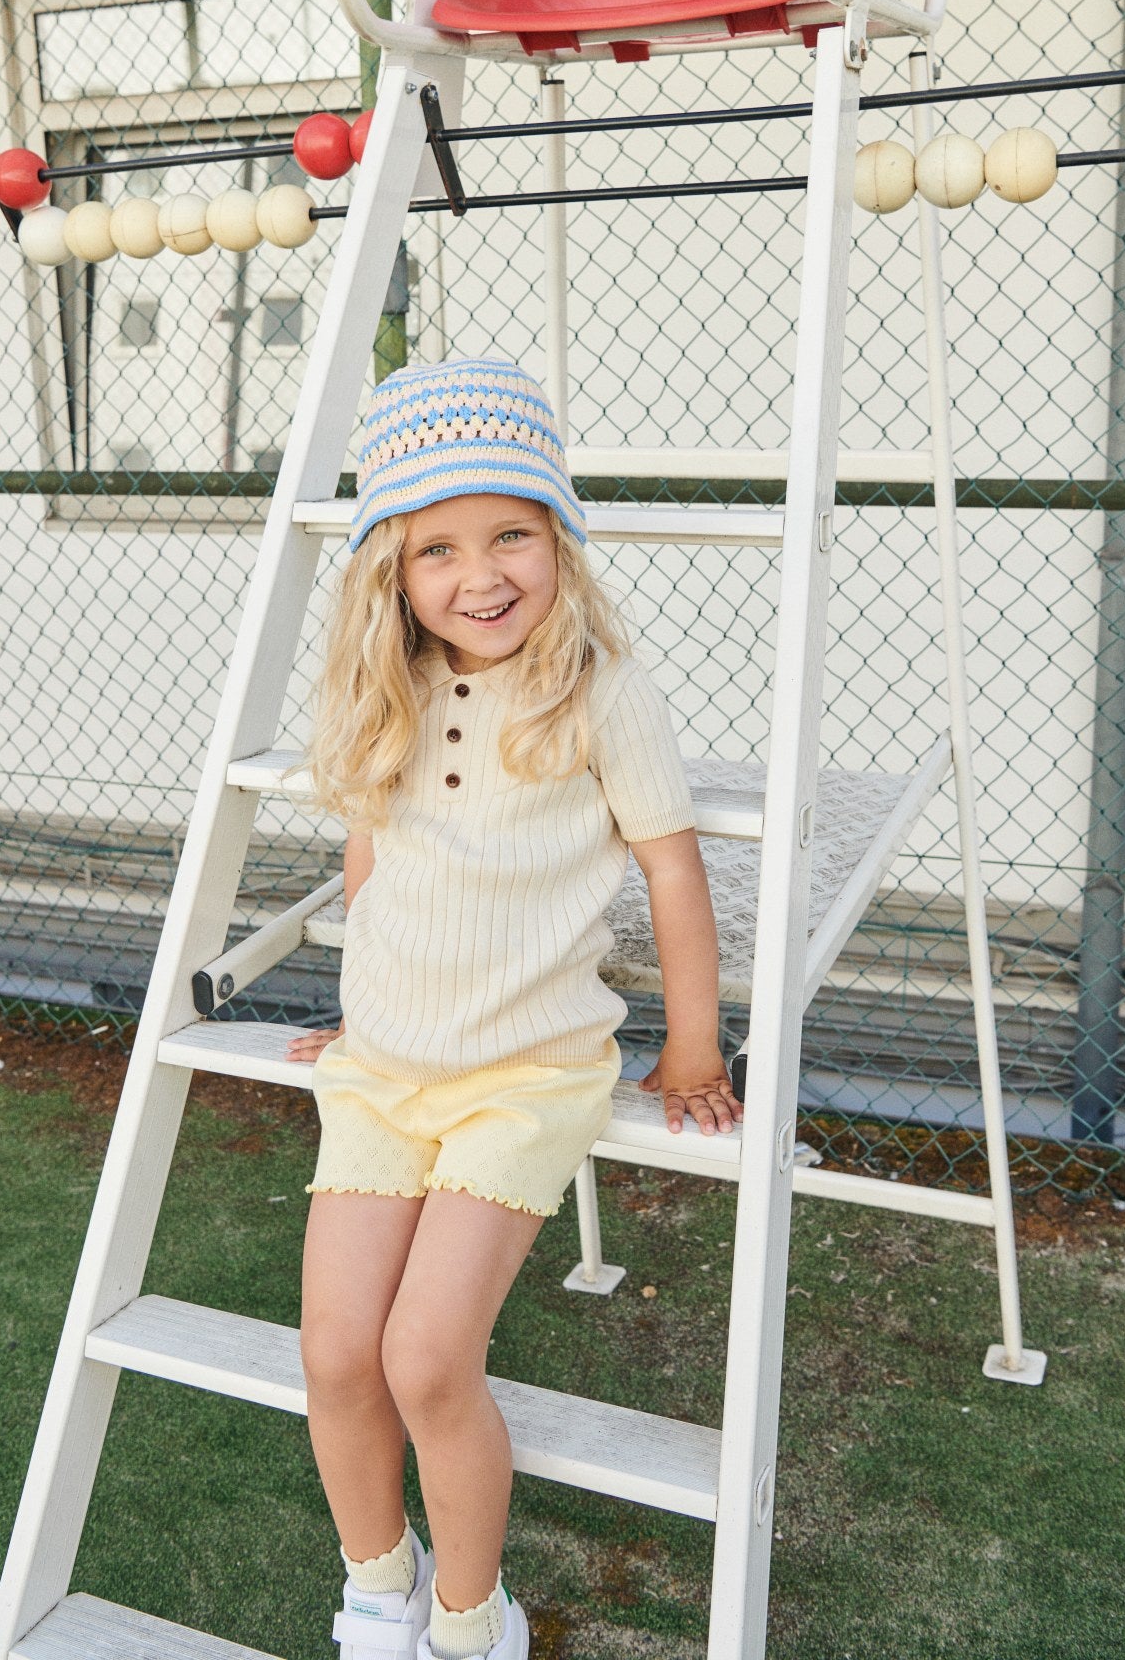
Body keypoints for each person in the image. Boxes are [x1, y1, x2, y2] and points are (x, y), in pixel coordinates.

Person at [285, 355, 742, 1660]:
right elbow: (374, 861)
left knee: (426, 1361)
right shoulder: (390, 692)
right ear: (392, 569)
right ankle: (378, 1588)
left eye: (510, 537)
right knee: (334, 1357)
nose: (479, 576)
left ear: (558, 540)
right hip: (383, 1068)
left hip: (522, 1077)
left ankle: (471, 1619)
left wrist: (693, 1043)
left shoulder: (604, 692)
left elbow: (669, 866)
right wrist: (355, 1007)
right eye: (437, 549)